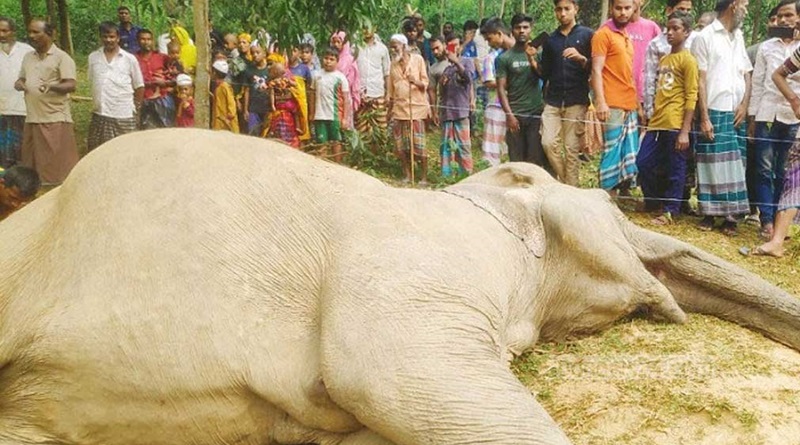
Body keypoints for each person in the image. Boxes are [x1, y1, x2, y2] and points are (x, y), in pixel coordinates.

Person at [692, 0, 752, 236]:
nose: (746, 10)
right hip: (715, 107)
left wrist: (745, 105)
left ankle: (731, 218)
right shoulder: (705, 37)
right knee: (711, 163)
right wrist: (704, 117)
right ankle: (709, 214)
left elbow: (746, 73)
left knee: (737, 163)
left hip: (735, 109)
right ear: (733, 5)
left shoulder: (737, 36)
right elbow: (700, 79)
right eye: (744, 5)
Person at [636, 11, 698, 225]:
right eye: (667, 28)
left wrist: (684, 131)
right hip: (657, 122)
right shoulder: (665, 59)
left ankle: (671, 210)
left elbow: (692, 95)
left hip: (675, 123)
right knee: (643, 162)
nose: (669, 33)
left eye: (675, 29)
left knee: (676, 168)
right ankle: (654, 202)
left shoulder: (688, 61)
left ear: (687, 32)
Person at [740, 41, 800, 257]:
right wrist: (794, 100)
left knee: (787, 176)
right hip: (775, 116)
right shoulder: (775, 49)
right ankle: (773, 233)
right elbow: (777, 75)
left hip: (790, 123)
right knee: (790, 178)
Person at [748, 0, 800, 240]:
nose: (783, 20)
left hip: (793, 117)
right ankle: (766, 220)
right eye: (780, 16)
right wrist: (752, 117)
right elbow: (758, 84)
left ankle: (781, 223)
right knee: (763, 169)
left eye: (788, 15)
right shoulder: (766, 47)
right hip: (767, 114)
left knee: (784, 171)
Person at [14, 19, 78, 186]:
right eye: (29, 32)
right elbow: (20, 79)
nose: (31, 36)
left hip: (54, 120)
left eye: (36, 32)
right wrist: (20, 84)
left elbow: (71, 84)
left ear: (50, 34)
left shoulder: (62, 58)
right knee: (32, 165)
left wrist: (52, 86)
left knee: (56, 169)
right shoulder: (28, 57)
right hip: (32, 119)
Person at [540, 0, 594, 186]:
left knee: (571, 149)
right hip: (553, 100)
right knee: (548, 143)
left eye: (566, 9)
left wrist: (582, 59)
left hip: (576, 100)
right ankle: (566, 182)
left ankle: (571, 191)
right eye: (559, 9)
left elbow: (595, 68)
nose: (562, 13)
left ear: (575, 9)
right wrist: (532, 59)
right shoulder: (550, 40)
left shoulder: (587, 35)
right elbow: (544, 73)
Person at [591, 0, 640, 194]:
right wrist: (600, 102)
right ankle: (606, 197)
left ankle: (620, 195)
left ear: (633, 9)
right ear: (611, 8)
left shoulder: (626, 36)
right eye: (618, 8)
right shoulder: (603, 34)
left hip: (629, 103)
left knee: (626, 153)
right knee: (611, 153)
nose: (623, 12)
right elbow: (596, 70)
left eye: (627, 8)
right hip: (611, 103)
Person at [497, 13, 549, 171]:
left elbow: (544, 76)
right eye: (518, 27)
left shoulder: (539, 54)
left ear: (531, 30)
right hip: (516, 115)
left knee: (534, 160)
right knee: (516, 162)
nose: (522, 31)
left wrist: (532, 60)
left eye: (525, 27)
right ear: (511, 31)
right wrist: (509, 115)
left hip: (535, 113)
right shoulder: (504, 58)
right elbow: (500, 88)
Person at [87, 22, 144, 152]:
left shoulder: (129, 59)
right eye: (105, 36)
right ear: (100, 37)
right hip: (100, 113)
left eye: (112, 37)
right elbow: (93, 81)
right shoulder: (93, 57)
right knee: (98, 152)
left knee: (126, 152)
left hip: (123, 114)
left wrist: (137, 109)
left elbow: (139, 86)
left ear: (118, 38)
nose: (108, 40)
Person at [387, 34, 429, 184]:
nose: (392, 49)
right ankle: (407, 174)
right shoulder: (392, 65)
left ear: (404, 46)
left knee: (419, 144)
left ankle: (423, 177)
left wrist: (415, 81)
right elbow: (391, 91)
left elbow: (426, 83)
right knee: (401, 147)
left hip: (416, 110)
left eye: (395, 46)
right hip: (399, 110)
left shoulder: (418, 60)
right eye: (391, 46)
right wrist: (389, 111)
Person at [643, 0, 694, 121]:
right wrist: (650, 110)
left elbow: (693, 88)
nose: (685, 13)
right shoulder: (656, 44)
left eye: (688, 10)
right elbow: (650, 80)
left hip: (686, 111)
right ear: (669, 11)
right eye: (681, 9)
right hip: (662, 111)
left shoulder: (696, 40)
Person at [434, 34, 475, 177]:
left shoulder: (467, 62)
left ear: (460, 46)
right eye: (450, 45)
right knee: (446, 147)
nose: (453, 48)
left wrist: (457, 62)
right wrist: (442, 83)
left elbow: (469, 79)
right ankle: (447, 176)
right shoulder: (446, 69)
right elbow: (441, 92)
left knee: (464, 146)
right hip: (447, 113)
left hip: (461, 113)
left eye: (456, 45)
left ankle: (467, 175)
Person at [480, 18, 514, 166]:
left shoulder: (522, 53)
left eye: (489, 39)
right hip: (497, 106)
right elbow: (488, 82)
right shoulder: (492, 58)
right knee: (492, 150)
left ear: (499, 34)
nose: (488, 43)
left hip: (519, 106)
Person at [0, 17, 33, 168]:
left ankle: (21, 178)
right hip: (2, 108)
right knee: (2, 148)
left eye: (4, 30)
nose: (1, 34)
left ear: (13, 32)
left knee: (21, 147)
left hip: (22, 107)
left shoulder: (26, 51)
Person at [309, 47, 351, 163]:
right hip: (319, 115)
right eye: (326, 58)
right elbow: (312, 95)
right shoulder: (317, 75)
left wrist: (345, 118)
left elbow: (346, 99)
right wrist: (312, 113)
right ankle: (323, 166)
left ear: (337, 61)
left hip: (335, 116)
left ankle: (337, 166)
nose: (328, 61)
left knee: (336, 141)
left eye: (331, 59)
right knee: (321, 141)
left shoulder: (340, 77)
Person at [619, 0, 662, 110]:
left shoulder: (652, 28)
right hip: (619, 95)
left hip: (646, 95)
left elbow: (663, 60)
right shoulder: (611, 27)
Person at [356, 24, 391, 150]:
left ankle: (381, 156)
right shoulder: (356, 47)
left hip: (378, 92)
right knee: (361, 128)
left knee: (381, 127)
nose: (365, 30)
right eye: (363, 27)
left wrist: (388, 94)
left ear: (375, 28)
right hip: (360, 94)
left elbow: (387, 72)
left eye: (368, 27)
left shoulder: (382, 49)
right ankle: (364, 156)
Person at [135, 29, 175, 129]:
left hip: (163, 99)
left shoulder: (162, 58)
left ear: (152, 41)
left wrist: (165, 83)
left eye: (149, 39)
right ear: (138, 41)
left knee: (166, 130)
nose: (146, 42)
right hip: (143, 99)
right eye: (143, 39)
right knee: (145, 132)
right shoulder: (133, 59)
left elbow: (176, 77)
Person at [263, 60, 305, 148]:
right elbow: (295, 85)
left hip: (279, 105)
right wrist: (290, 83)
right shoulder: (285, 80)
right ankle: (298, 126)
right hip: (287, 104)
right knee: (296, 111)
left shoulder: (273, 82)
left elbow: (271, 94)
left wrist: (272, 105)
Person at [330, 31, 361, 123]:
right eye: (334, 42)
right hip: (331, 97)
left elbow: (351, 81)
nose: (336, 44)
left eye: (338, 42)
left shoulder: (349, 60)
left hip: (344, 97)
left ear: (344, 43)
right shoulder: (330, 58)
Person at [242, 43, 271, 136]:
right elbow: (246, 90)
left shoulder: (270, 70)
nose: (255, 55)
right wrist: (246, 109)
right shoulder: (249, 71)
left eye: (258, 52)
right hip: (253, 108)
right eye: (253, 53)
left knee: (266, 134)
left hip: (267, 108)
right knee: (253, 133)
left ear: (264, 54)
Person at [211, 59, 238, 133]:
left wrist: (228, 118)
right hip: (219, 123)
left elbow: (231, 104)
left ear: (215, 72)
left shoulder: (225, 87)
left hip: (226, 124)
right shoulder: (218, 87)